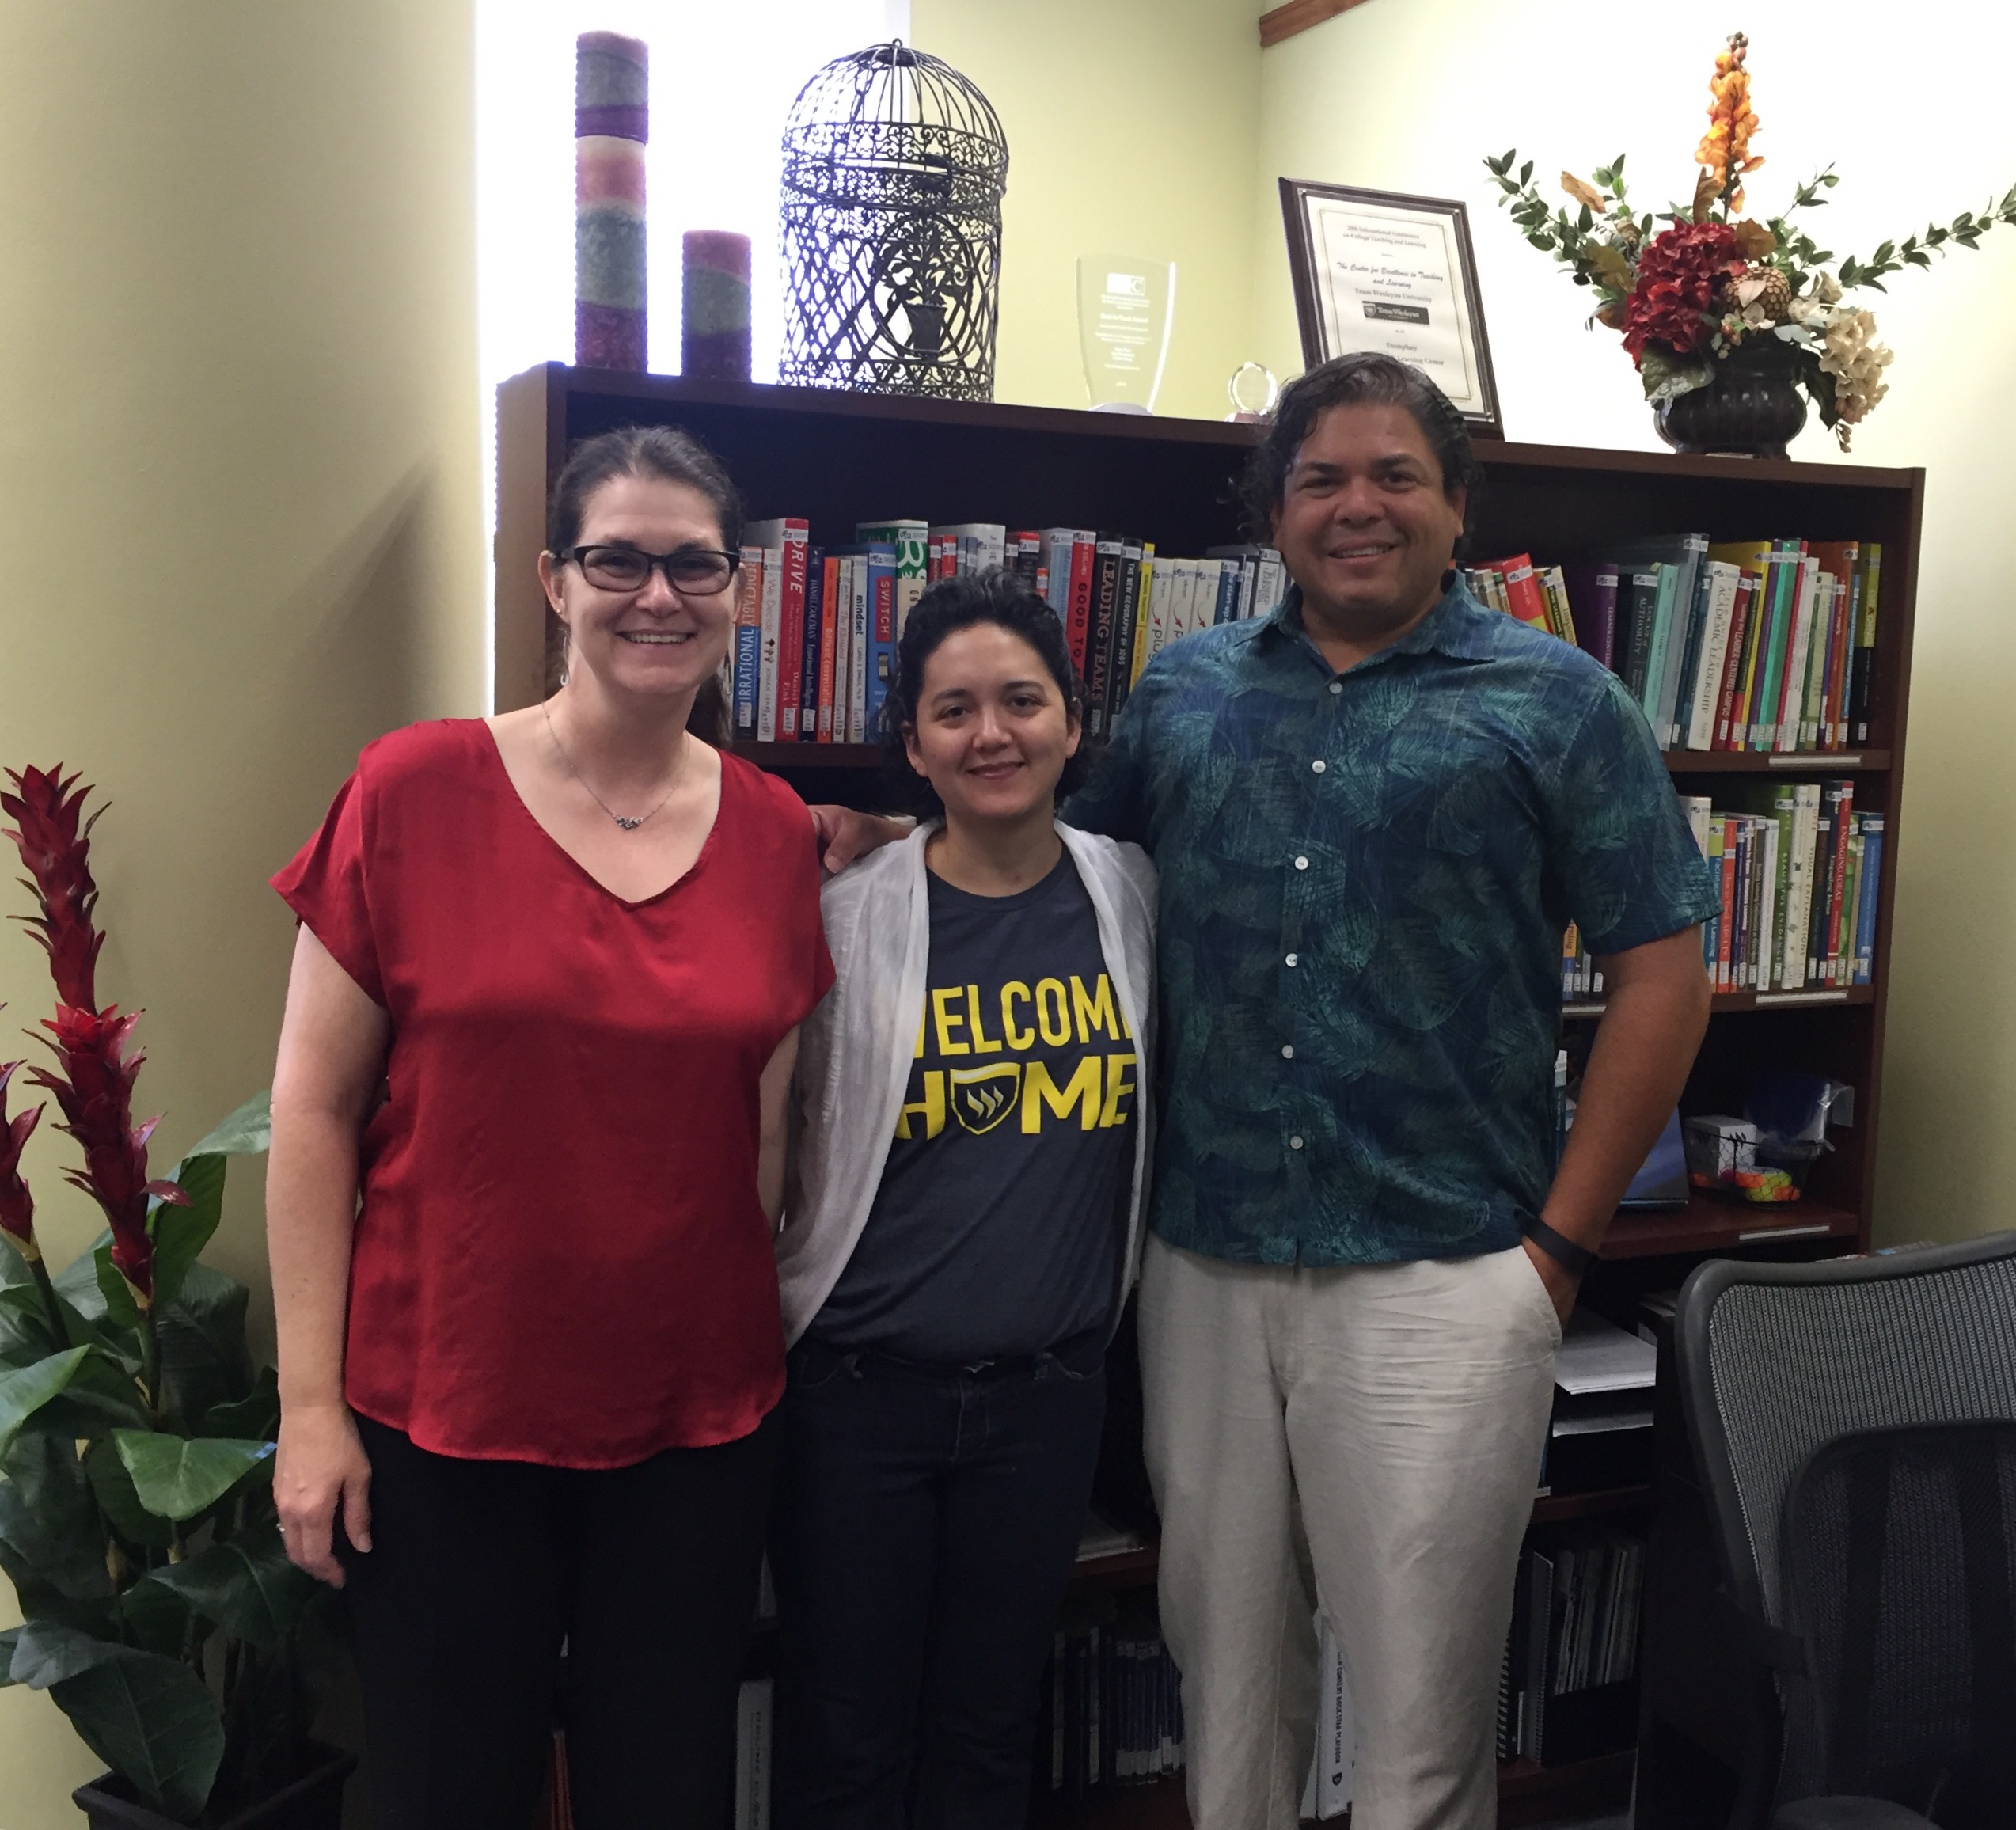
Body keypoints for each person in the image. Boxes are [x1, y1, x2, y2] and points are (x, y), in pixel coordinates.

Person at [811, 354, 1719, 1830]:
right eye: (1321, 479)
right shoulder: (1185, 692)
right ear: (1275, 511)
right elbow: (1043, 867)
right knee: (1224, 1680)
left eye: (1395, 476)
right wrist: (870, 837)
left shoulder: (1561, 704)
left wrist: (1557, 1253)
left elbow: (1662, 978)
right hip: (1204, 1268)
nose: (1358, 507)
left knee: (1424, 1708)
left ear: (1456, 503)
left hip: (1444, 1272)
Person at [267, 424, 833, 1830]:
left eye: (694, 564)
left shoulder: (772, 835)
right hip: (447, 1412)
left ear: (741, 590)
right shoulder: (411, 789)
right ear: (552, 581)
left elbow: (759, 1138)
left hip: (694, 1421)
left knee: (669, 1791)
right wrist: (307, 1412)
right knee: (447, 1796)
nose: (659, 595)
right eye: (617, 560)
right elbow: (313, 1110)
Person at [773, 569, 1156, 1830]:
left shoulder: (1132, 896)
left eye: (1021, 701)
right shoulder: (842, 918)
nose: (992, 734)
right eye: (953, 711)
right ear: (912, 746)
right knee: (845, 1740)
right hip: (858, 1405)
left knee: (993, 1736)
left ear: (1072, 724)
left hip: (1046, 1406)